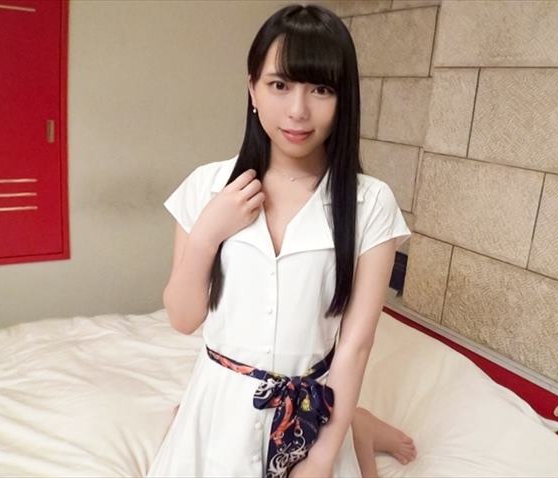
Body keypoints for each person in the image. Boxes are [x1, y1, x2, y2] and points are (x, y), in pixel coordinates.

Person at [147, 4, 416, 477]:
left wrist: (323, 456)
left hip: (315, 412)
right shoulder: (207, 187)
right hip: (220, 407)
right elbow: (183, 318)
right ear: (252, 89)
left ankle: (355, 425)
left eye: (321, 89)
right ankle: (362, 425)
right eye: (279, 85)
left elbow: (355, 345)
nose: (298, 110)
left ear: (344, 99)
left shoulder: (370, 202)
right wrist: (208, 232)